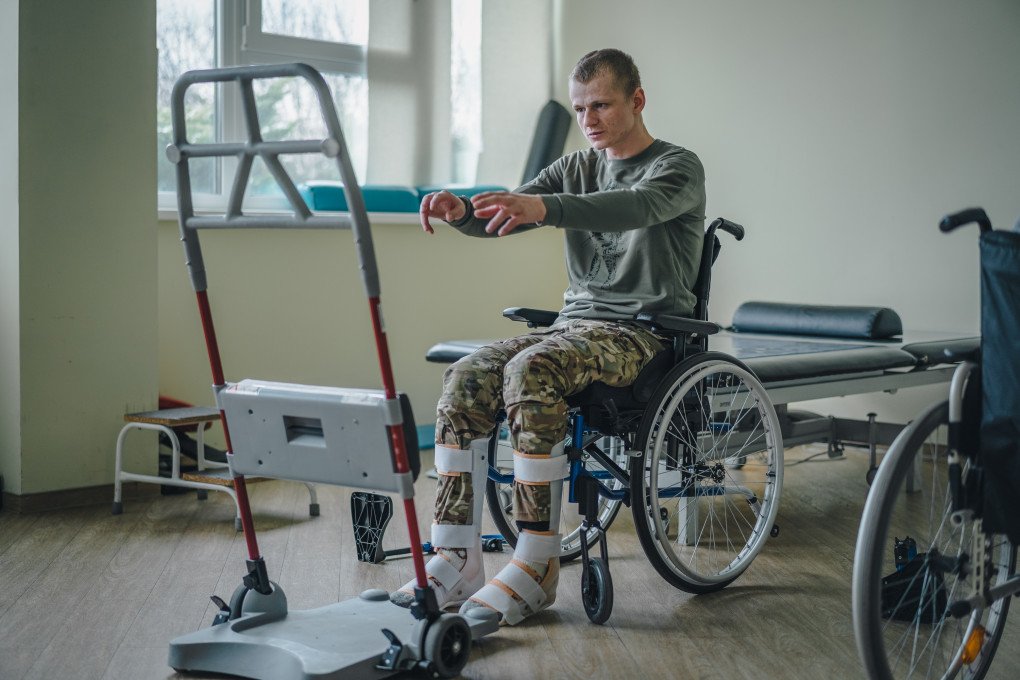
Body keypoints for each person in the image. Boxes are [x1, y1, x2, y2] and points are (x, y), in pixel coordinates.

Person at [392, 48, 706, 625]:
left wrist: (547, 207)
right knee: (467, 373)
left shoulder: (678, 167)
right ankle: (454, 556)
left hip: (644, 333)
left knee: (530, 371)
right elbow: (507, 213)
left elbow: (631, 207)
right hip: (576, 328)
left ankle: (536, 561)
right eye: (580, 107)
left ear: (637, 101)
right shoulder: (573, 167)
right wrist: (461, 208)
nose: (589, 119)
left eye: (603, 105)